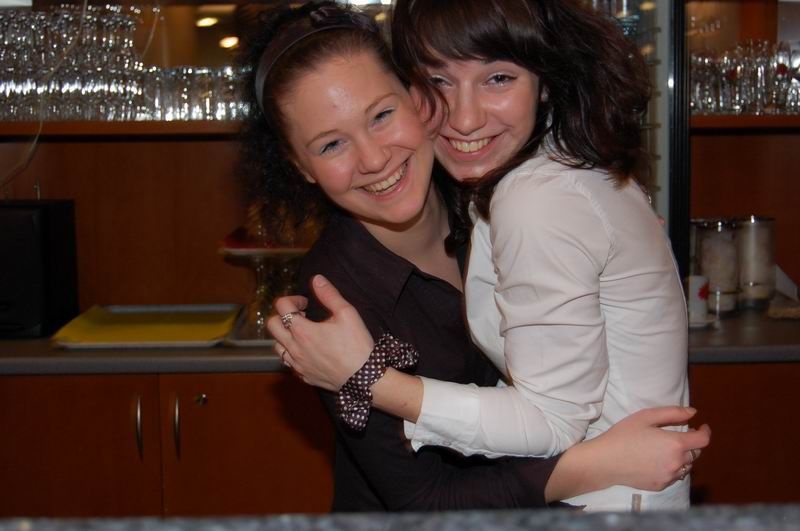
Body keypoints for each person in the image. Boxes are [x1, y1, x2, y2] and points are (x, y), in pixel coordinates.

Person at [267, 0, 708, 512]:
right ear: (300, 166)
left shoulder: (488, 191)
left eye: (382, 115)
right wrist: (594, 465)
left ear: (410, 97)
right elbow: (423, 500)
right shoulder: (335, 295)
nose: (373, 158)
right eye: (330, 145)